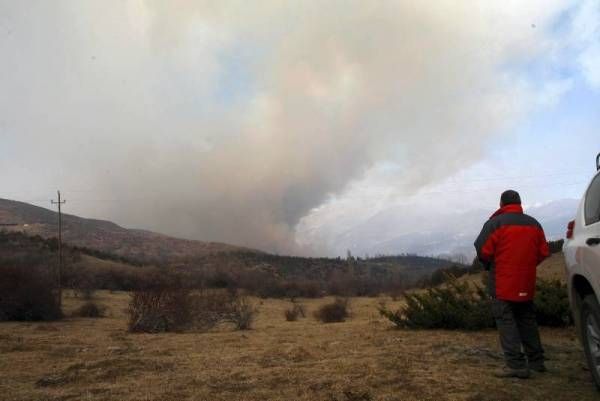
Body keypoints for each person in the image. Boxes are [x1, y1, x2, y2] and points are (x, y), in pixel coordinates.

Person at [474, 190, 550, 379]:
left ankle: (516, 365)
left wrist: (491, 264)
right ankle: (537, 362)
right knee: (527, 320)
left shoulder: (495, 224)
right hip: (526, 280)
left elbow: (482, 250)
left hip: (502, 282)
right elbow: (543, 252)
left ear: (501, 204)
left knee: (506, 321)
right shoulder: (534, 224)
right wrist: (527, 265)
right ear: (519, 203)